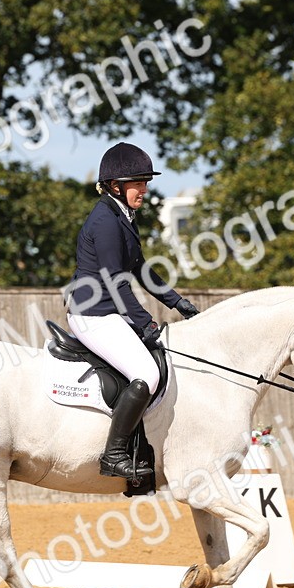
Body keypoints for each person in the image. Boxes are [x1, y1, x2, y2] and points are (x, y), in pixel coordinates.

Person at [65, 142, 200, 480]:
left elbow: (141, 269)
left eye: (145, 182)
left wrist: (178, 303)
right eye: (137, 183)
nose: (144, 189)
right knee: (147, 373)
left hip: (107, 312)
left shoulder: (122, 216)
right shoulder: (105, 222)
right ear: (115, 186)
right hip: (92, 314)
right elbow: (114, 281)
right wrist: (146, 324)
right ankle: (113, 455)